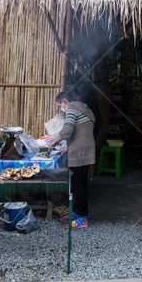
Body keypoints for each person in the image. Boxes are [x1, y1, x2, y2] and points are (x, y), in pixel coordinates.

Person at [57, 89, 95, 229]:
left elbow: (67, 131)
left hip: (79, 153)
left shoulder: (72, 108)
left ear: (65, 101)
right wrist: (69, 147)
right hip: (85, 150)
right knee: (80, 183)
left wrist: (52, 141)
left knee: (78, 185)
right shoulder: (84, 108)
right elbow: (82, 131)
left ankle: (82, 218)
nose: (61, 108)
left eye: (60, 105)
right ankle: (77, 214)